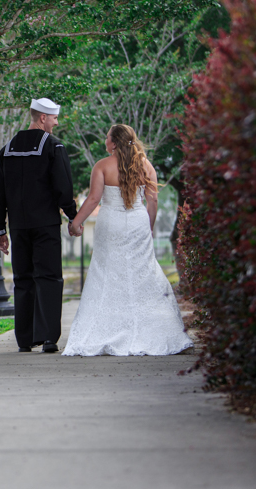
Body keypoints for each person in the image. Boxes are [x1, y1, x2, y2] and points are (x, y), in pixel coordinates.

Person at [62, 124, 193, 356]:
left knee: (107, 272)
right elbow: (153, 202)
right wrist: (148, 227)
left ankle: (104, 329)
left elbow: (93, 199)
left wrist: (76, 223)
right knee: (142, 272)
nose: (105, 141)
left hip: (110, 222)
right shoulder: (146, 165)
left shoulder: (102, 166)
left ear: (114, 142)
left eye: (106, 137)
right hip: (137, 222)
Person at [0, 98, 78, 353]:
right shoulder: (53, 146)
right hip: (46, 225)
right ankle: (49, 338)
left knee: (23, 279)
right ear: (42, 118)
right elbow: (63, 187)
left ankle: (25, 339)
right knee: (49, 277)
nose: (56, 123)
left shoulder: (7, 150)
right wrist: (73, 216)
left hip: (18, 227)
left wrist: (0, 230)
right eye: (54, 118)